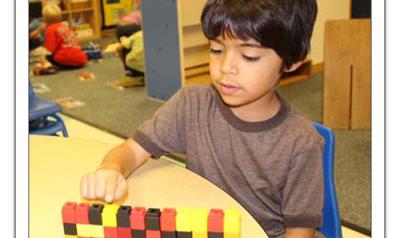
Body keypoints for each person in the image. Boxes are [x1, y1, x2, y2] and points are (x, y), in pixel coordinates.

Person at [80, 0, 323, 237]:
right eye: (216, 49)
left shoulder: (301, 142)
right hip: (203, 226)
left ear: (291, 61)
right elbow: (132, 150)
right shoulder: (191, 104)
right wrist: (111, 169)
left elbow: (300, 232)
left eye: (249, 56)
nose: (225, 67)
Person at [42, 4, 88, 68]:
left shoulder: (50, 29)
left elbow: (50, 49)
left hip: (64, 59)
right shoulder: (65, 26)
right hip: (81, 59)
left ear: (44, 18)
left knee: (47, 56)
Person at [112, 0, 145, 88]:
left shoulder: (133, 13)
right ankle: (137, 73)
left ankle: (131, 72)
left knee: (126, 46)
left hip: (120, 28)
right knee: (137, 45)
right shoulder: (141, 14)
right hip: (132, 27)